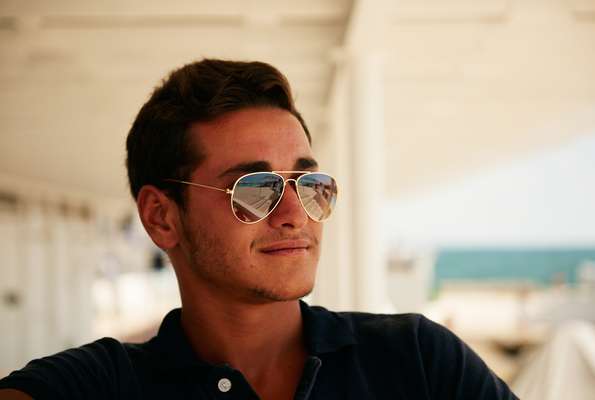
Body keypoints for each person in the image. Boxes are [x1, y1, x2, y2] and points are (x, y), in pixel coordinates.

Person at [0, 59, 518, 399]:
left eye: (307, 182)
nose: (294, 212)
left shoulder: (417, 361)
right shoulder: (106, 386)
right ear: (162, 217)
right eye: (254, 188)